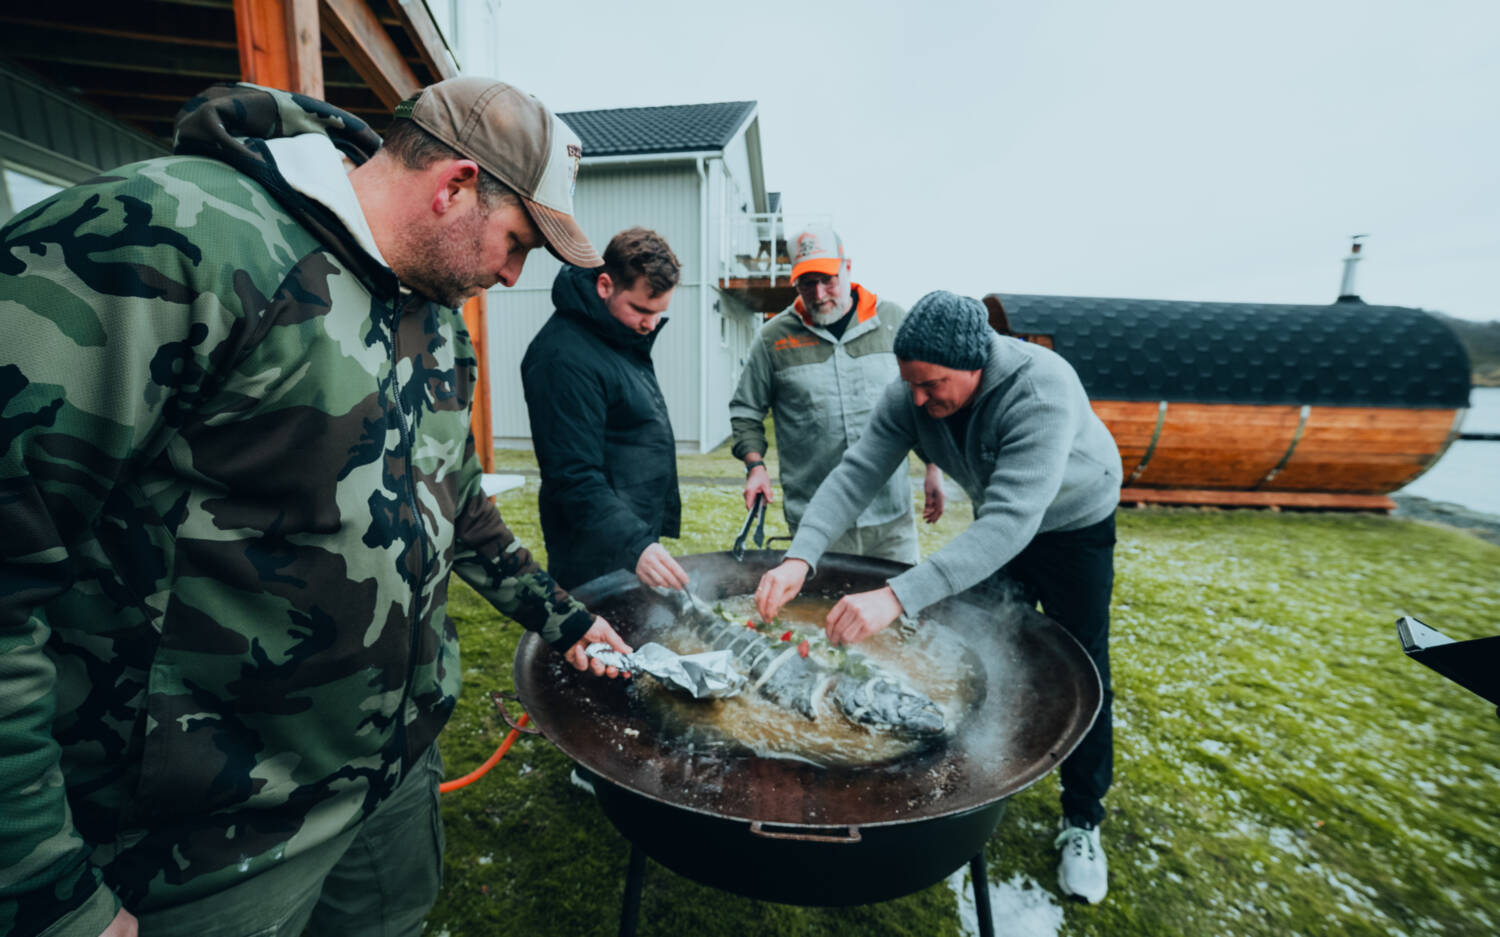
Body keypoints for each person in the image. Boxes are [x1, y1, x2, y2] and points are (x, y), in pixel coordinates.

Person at [0, 77, 634, 937]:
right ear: (452, 186)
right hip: (208, 837)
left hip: (389, 783)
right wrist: (46, 891)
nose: (512, 274)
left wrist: (567, 622)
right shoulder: (168, 235)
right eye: (518, 242)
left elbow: (462, 509)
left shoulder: (439, 318)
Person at [753, 290, 1123, 904]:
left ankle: (1083, 818)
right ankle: (980, 781)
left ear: (976, 364)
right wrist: (801, 555)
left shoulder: (1042, 390)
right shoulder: (911, 391)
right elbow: (857, 470)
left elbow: (1011, 523)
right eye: (911, 385)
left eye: (932, 385)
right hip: (1001, 518)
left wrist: (896, 596)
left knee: (1083, 663)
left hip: (1074, 526)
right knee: (986, 646)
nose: (918, 401)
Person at [729, 225, 944, 564]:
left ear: (847, 267)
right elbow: (746, 410)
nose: (818, 293)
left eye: (827, 279)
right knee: (821, 614)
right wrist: (754, 466)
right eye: (806, 282)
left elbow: (918, 402)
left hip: (889, 519)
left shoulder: (892, 323)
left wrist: (934, 464)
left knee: (898, 611)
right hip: (816, 520)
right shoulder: (773, 339)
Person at [520, 227, 690, 592]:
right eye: (641, 310)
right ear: (604, 286)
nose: (651, 323)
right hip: (592, 548)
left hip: (627, 534)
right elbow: (572, 476)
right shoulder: (562, 358)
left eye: (659, 313)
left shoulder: (620, 334)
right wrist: (635, 544)